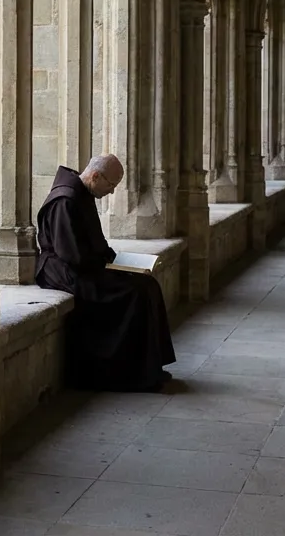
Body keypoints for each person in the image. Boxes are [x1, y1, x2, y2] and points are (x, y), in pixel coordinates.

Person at [34, 154, 177, 392]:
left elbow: (94, 243)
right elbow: (71, 255)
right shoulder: (65, 200)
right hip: (63, 271)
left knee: (148, 284)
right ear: (95, 176)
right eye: (111, 185)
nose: (111, 192)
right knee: (135, 293)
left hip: (84, 265)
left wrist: (117, 261)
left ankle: (150, 369)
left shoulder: (84, 193)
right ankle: (130, 375)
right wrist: (109, 267)